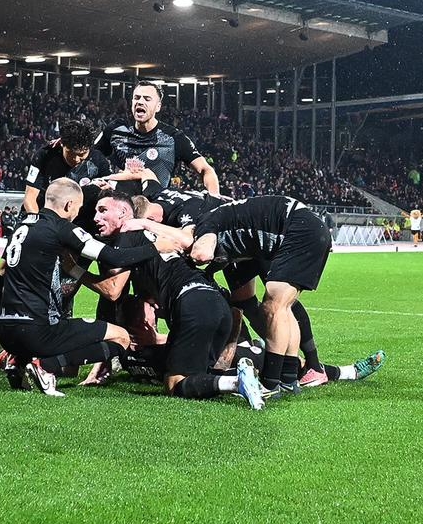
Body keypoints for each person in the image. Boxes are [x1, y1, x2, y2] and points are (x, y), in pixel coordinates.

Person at [82, 194, 264, 408]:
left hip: (192, 303)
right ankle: (271, 367)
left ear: (123, 213)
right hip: (215, 303)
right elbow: (233, 309)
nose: (96, 217)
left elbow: (112, 290)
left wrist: (76, 271)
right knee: (201, 374)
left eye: (103, 210)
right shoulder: (157, 239)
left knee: (173, 383)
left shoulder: (126, 238)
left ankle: (236, 382)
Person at [0, 120, 109, 365]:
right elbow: (30, 198)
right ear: (62, 145)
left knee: (66, 284)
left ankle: (58, 348)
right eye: (73, 153)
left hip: (75, 228)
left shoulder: (99, 162)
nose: (79, 159)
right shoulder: (46, 154)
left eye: (83, 154)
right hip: (37, 223)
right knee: (4, 269)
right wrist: (42, 230)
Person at [175, 194, 332, 398]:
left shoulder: (206, 223)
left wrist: (190, 258)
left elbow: (201, 254)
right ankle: (288, 378)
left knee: (273, 306)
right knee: (284, 308)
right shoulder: (233, 223)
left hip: (300, 231)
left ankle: (269, 383)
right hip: (308, 227)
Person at [0, 178, 133, 396]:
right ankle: (45, 366)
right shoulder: (61, 228)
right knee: (121, 337)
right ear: (69, 205)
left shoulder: (22, 226)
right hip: (37, 331)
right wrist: (156, 246)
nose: (79, 214)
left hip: (6, 331)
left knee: (69, 364)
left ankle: (18, 360)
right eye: (78, 208)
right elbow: (114, 261)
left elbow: (1, 273)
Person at [93, 81, 219, 198]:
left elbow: (205, 169)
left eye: (147, 99)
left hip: (155, 207)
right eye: (137, 98)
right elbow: (91, 157)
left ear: (158, 107)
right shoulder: (116, 129)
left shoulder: (173, 138)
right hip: (119, 206)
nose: (140, 102)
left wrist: (214, 199)